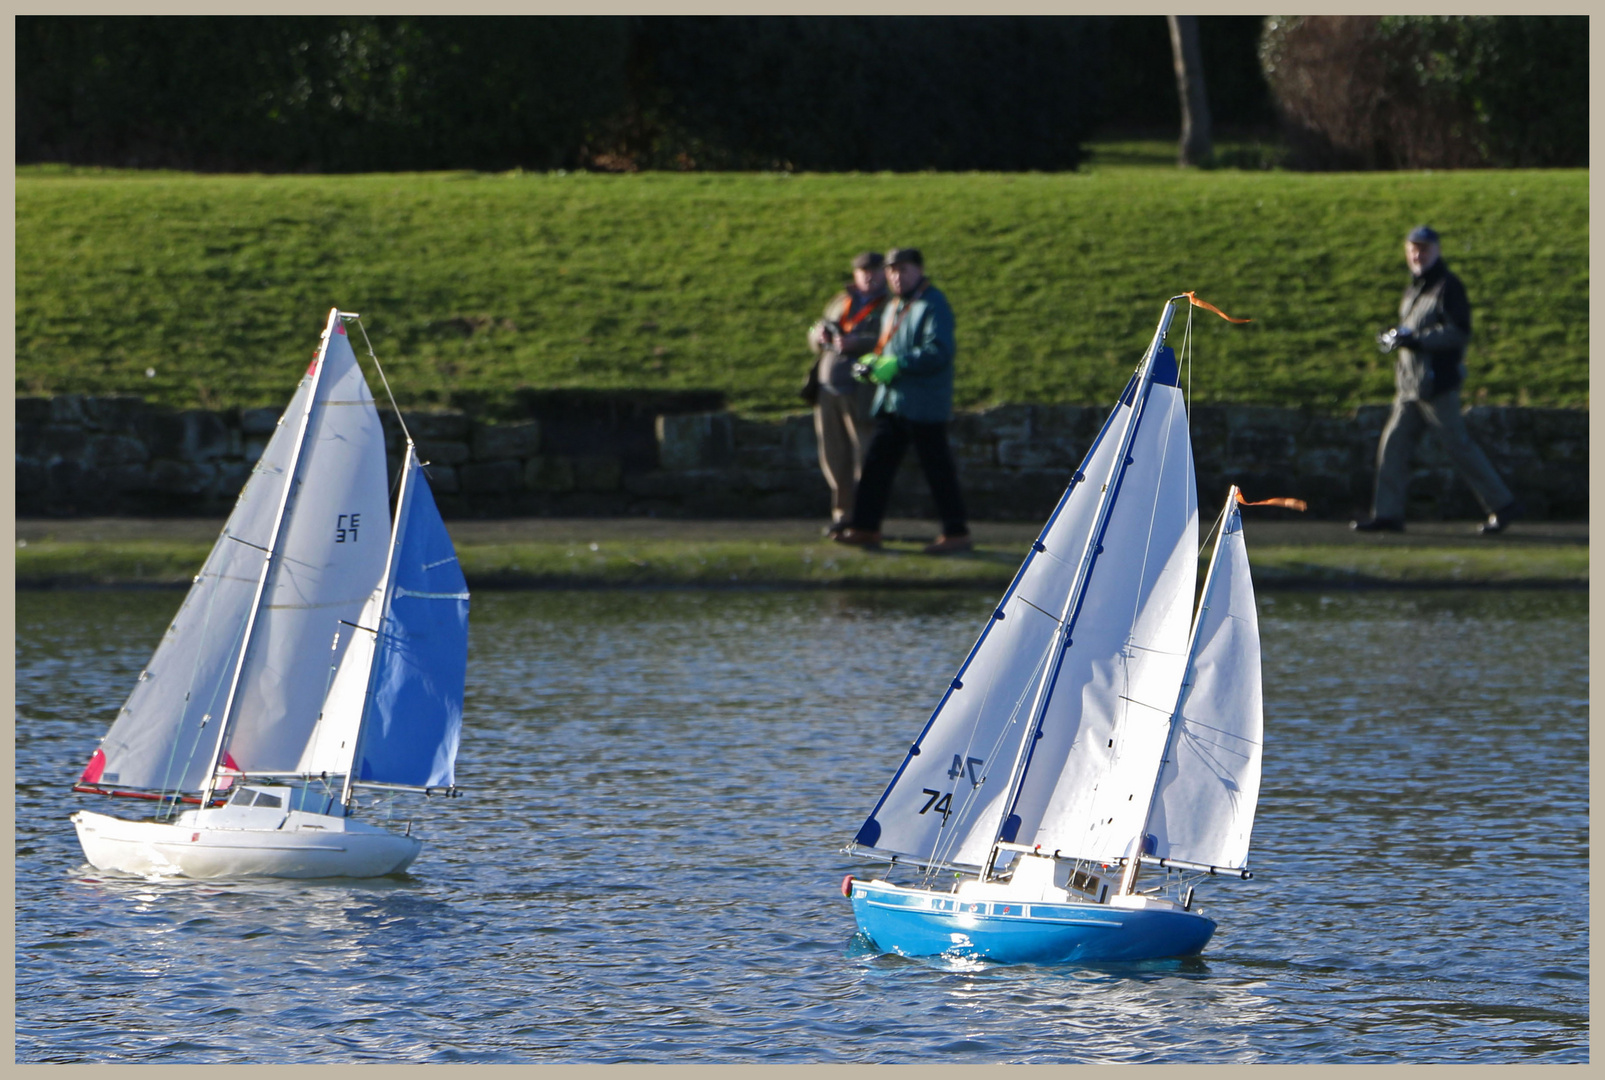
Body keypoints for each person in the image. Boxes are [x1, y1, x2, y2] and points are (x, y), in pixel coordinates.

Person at [1353, 226, 1521, 535]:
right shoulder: (1416, 287)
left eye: (1424, 249)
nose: (1418, 255)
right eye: (1413, 249)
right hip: (1409, 387)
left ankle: (1502, 504)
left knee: (1459, 447)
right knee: (1393, 447)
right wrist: (1399, 337)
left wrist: (1416, 340)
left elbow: (1459, 331)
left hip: (1436, 385)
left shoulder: (1447, 287)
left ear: (1437, 251)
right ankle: (1388, 514)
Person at [834, 247, 971, 554]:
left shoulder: (933, 304)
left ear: (919, 271)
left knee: (938, 469)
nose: (897, 276)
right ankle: (865, 528)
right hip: (894, 401)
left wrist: (899, 364)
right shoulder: (896, 304)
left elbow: (939, 351)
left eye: (903, 270)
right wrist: (875, 361)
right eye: (892, 271)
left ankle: (957, 532)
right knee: (876, 466)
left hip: (923, 404)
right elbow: (890, 347)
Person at [805, 251, 887, 537]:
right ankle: (842, 515)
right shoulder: (840, 301)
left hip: (862, 391)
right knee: (833, 455)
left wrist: (857, 342)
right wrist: (819, 337)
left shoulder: (889, 304)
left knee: (864, 456)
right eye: (863, 271)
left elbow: (889, 340)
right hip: (828, 390)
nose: (868, 276)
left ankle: (864, 519)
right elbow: (815, 330)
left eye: (874, 270)